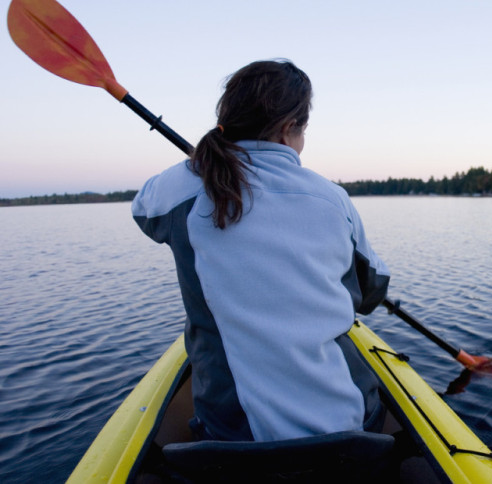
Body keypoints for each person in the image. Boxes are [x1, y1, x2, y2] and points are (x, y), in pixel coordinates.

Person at [131, 60, 390, 442]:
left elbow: (142, 210)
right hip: (347, 428)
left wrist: (200, 164)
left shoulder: (183, 187)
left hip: (230, 436)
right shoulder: (333, 199)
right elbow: (372, 291)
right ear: (289, 128)